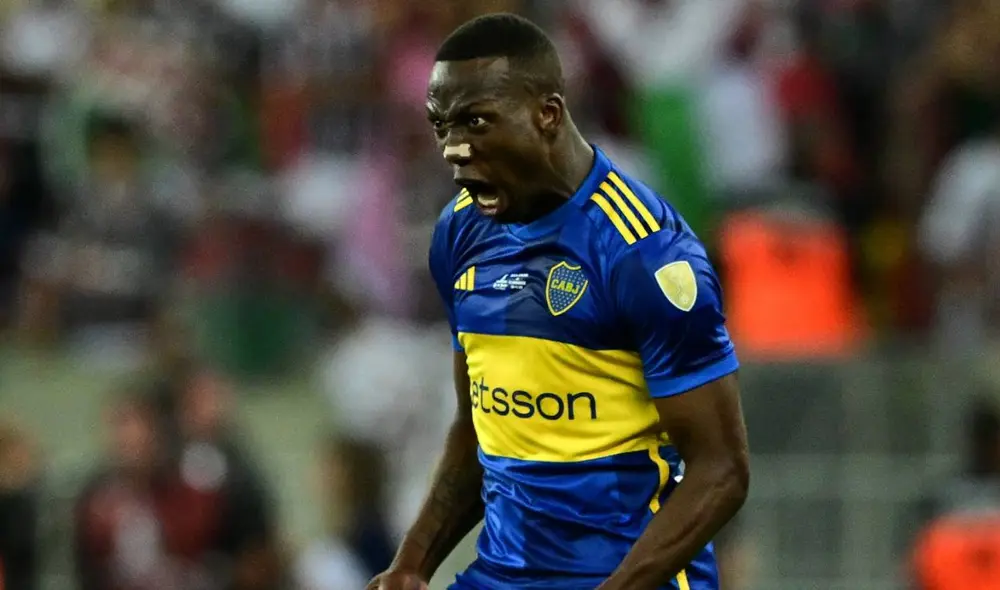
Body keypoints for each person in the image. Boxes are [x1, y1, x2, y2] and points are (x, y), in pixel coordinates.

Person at [369, 13, 750, 590]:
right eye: (441, 125)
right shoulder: (460, 235)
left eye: (476, 122)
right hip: (503, 575)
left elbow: (721, 471)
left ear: (547, 115)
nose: (454, 149)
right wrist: (412, 564)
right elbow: (479, 426)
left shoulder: (643, 253)